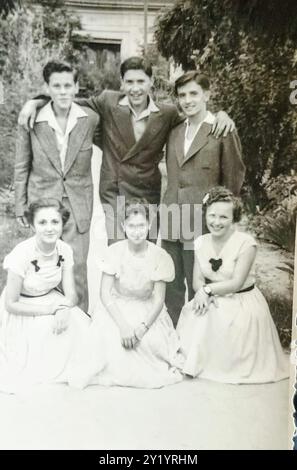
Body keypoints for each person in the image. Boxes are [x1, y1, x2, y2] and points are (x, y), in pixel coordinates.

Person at [18, 56, 235, 245]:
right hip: (115, 193)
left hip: (146, 194)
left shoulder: (166, 113)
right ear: (121, 83)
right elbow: (68, 101)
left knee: (145, 253)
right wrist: (35, 102)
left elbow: (195, 119)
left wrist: (221, 115)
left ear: (151, 82)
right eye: (129, 81)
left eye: (141, 81)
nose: (135, 88)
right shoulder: (108, 102)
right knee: (118, 254)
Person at [176, 186, 289, 384]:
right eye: (212, 216)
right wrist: (202, 292)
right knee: (200, 312)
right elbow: (197, 280)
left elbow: (236, 283)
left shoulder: (246, 244)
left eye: (223, 217)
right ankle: (198, 362)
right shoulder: (201, 242)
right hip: (214, 295)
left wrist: (208, 290)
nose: (216, 222)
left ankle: (226, 364)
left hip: (241, 300)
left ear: (233, 219)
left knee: (220, 318)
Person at [161, 71, 246, 327]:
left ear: (207, 95)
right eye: (182, 95)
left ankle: (198, 343)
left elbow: (233, 180)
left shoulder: (222, 130)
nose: (187, 100)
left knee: (200, 287)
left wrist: (222, 225)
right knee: (171, 286)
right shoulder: (175, 131)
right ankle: (174, 340)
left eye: (194, 94)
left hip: (202, 225)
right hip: (173, 220)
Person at [15, 60, 99, 312]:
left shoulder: (90, 119)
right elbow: (21, 164)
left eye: (67, 86)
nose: (63, 91)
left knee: (78, 267)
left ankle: (80, 325)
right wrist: (20, 205)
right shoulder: (32, 118)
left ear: (76, 87)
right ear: (48, 88)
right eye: (56, 86)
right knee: (42, 266)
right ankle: (47, 324)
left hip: (78, 204)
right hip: (42, 203)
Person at [73, 199, 184, 389]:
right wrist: (124, 326)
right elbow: (105, 294)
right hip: (117, 308)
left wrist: (142, 328)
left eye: (141, 225)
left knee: (149, 344)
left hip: (147, 309)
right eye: (131, 226)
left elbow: (158, 300)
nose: (137, 231)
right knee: (112, 340)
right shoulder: (114, 252)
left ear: (149, 225)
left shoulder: (159, 256)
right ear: (123, 226)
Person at [0, 199, 93, 394]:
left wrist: (62, 308)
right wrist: (50, 310)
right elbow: (10, 303)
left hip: (52, 300)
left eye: (55, 222)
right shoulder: (21, 254)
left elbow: (72, 296)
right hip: (23, 308)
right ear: (32, 225)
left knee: (79, 330)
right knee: (44, 332)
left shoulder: (64, 249)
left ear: (62, 224)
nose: (49, 228)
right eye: (42, 223)